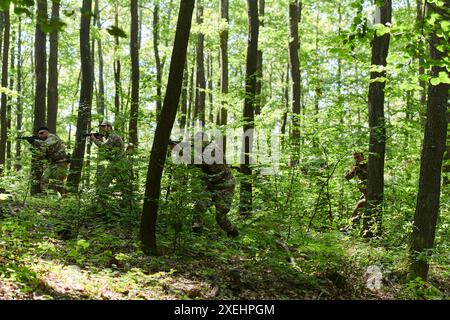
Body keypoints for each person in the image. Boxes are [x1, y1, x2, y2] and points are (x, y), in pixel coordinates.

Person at [168, 138, 239, 238]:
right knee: (199, 206)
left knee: (221, 217)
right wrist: (174, 143)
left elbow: (194, 161)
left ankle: (233, 234)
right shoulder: (204, 150)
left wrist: (178, 149)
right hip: (210, 185)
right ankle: (196, 233)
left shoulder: (213, 152)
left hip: (225, 186)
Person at [90, 121, 128, 207]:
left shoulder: (113, 135)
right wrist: (100, 139)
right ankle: (125, 206)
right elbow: (108, 150)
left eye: (104, 126)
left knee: (104, 183)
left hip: (117, 163)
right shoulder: (110, 136)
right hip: (118, 163)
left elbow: (104, 147)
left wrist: (94, 139)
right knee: (123, 185)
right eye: (101, 127)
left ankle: (101, 205)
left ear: (109, 127)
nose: (102, 128)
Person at [31, 126, 69, 195]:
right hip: (52, 163)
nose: (40, 135)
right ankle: (45, 196)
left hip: (61, 163)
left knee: (59, 183)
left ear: (47, 132)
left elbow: (46, 145)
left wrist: (34, 141)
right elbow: (41, 152)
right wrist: (32, 143)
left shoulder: (52, 137)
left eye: (41, 133)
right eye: (39, 134)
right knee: (44, 178)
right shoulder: (43, 141)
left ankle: (65, 197)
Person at [344, 152, 368, 229]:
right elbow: (348, 177)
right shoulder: (357, 167)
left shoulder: (369, 164)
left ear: (362, 156)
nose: (356, 159)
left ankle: (351, 227)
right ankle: (352, 227)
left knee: (359, 206)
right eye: (355, 158)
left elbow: (371, 176)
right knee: (358, 209)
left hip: (370, 192)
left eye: (358, 157)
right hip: (364, 192)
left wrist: (360, 170)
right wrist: (349, 171)